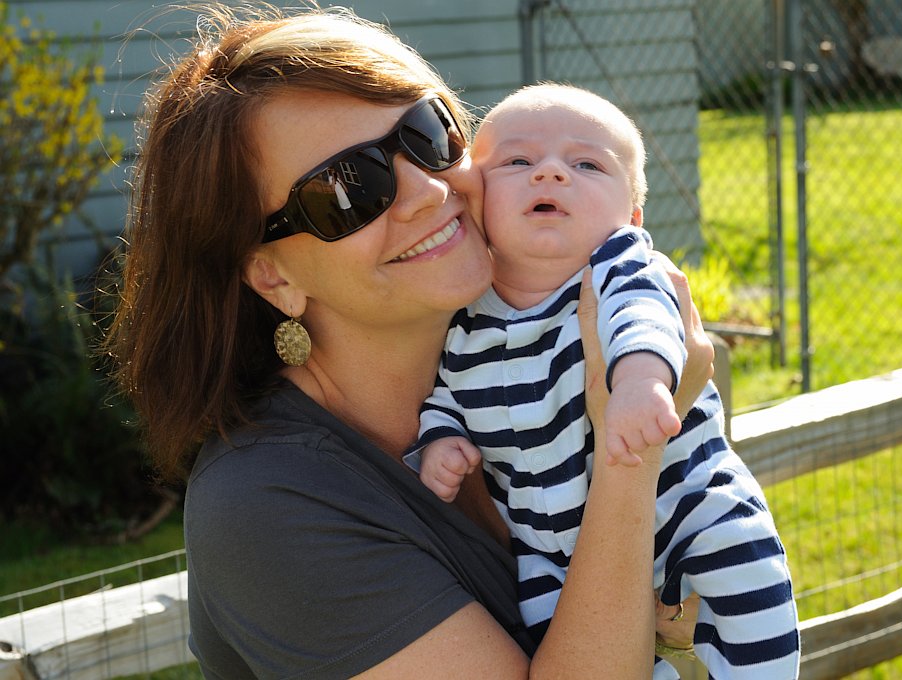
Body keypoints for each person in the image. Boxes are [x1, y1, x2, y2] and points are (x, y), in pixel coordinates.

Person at [103, 5, 717, 678]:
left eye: (427, 133)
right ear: (274, 276)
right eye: (348, 188)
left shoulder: (575, 346)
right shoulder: (264, 506)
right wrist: (632, 457)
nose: (427, 190)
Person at [411, 84, 801, 678]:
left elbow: (645, 317)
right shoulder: (465, 316)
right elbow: (445, 393)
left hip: (686, 500)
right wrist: (442, 439)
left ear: (632, 217)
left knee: (747, 577)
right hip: (549, 549)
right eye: (518, 161)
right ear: (476, 201)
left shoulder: (618, 268)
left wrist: (642, 381)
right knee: (567, 637)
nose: (549, 173)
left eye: (587, 165)